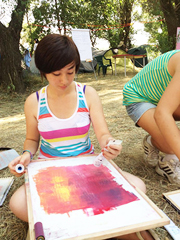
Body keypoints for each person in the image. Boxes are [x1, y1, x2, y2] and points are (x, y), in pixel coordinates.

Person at [9, 34, 153, 240]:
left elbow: (103, 133)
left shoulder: (88, 94)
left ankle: (77, 223)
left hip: (87, 168)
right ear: (43, 71)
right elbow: (32, 140)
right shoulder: (34, 101)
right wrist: (25, 154)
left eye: (70, 71)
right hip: (50, 171)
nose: (64, 80)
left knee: (139, 187)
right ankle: (98, 222)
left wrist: (109, 144)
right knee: (18, 204)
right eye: (56, 74)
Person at [123, 50, 180, 186]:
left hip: (163, 98)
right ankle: (162, 154)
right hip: (139, 98)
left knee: (174, 139)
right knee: (172, 145)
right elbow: (163, 113)